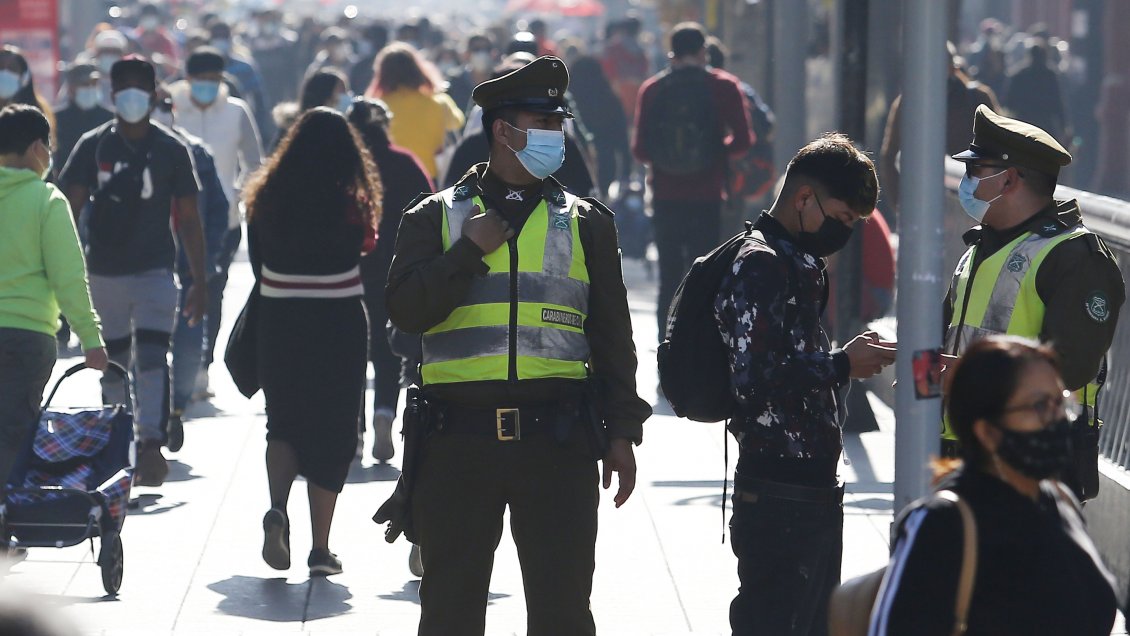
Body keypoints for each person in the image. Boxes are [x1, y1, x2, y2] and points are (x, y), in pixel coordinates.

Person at [384, 55, 649, 635]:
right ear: (504, 131)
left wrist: (623, 430)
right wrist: (466, 253)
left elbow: (613, 338)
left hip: (558, 445)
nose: (558, 134)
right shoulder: (437, 217)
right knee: (450, 614)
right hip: (458, 445)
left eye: (559, 123)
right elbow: (405, 311)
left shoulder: (587, 222)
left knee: (562, 614)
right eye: (544, 122)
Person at [715, 133, 894, 636]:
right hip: (776, 487)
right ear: (803, 198)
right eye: (841, 219)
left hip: (808, 484)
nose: (845, 233)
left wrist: (844, 358)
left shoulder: (797, 261)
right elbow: (753, 378)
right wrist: (840, 365)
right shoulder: (761, 263)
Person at [867, 336, 1118, 635]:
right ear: (987, 431)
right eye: (1039, 406)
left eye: (1060, 402)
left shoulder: (1061, 502)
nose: (1057, 420)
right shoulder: (942, 524)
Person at [943, 105, 1124, 502]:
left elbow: (1068, 368)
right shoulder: (981, 246)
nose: (966, 181)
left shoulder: (1076, 258)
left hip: (1029, 464)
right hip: (960, 454)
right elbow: (949, 340)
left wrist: (967, 378)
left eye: (976, 171)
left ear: (1008, 179)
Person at [244, 107, 381, 577]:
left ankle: (277, 508)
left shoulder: (267, 197)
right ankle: (321, 548)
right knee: (335, 429)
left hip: (279, 319)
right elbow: (367, 245)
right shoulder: (351, 199)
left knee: (282, 423)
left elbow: (258, 258)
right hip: (338, 319)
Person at [59, 57, 207, 487]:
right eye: (122, 86)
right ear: (112, 93)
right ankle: (116, 435)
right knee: (113, 361)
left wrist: (200, 281)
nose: (130, 95)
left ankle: (150, 442)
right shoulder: (93, 145)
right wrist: (69, 280)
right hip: (104, 272)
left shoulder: (171, 149)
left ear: (153, 91)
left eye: (138, 86)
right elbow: (69, 211)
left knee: (153, 358)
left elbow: (189, 218)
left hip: (155, 271)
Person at [0, 104, 108, 487]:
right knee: (13, 431)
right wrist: (91, 339)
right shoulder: (46, 201)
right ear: (35, 149)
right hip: (26, 338)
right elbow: (68, 278)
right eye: (48, 147)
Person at [633, 22, 754, 341]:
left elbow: (640, 150)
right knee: (706, 276)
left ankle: (667, 348)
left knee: (669, 277)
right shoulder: (724, 86)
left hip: (665, 197)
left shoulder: (653, 89)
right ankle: (702, 347)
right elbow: (743, 140)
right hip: (708, 196)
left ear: (672, 54)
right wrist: (716, 151)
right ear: (704, 51)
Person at [169, 47, 264, 404]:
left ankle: (200, 367)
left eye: (214, 80)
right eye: (201, 80)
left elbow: (254, 164)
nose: (207, 87)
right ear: (187, 79)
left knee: (212, 290)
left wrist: (238, 194)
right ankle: (178, 360)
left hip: (223, 222)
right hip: (174, 220)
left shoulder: (237, 112)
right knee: (176, 290)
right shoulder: (172, 108)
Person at [346, 97, 433, 462]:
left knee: (350, 353)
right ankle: (384, 414)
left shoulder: (342, 167)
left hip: (348, 273)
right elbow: (430, 212)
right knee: (388, 350)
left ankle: (355, 431)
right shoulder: (405, 162)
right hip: (395, 272)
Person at [150, 89, 229, 452]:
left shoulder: (196, 153)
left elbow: (217, 211)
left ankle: (176, 408)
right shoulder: (116, 150)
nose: (159, 113)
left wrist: (208, 259)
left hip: (188, 270)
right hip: (142, 268)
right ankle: (150, 420)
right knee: (146, 350)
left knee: (186, 348)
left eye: (165, 106)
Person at [879, 43, 999, 222]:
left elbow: (998, 151)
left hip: (971, 205)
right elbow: (890, 155)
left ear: (953, 68)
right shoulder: (908, 103)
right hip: (922, 205)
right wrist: (900, 205)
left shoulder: (979, 99)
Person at [364, 42, 464, 181]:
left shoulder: (377, 106)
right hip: (431, 177)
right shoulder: (439, 102)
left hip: (390, 177)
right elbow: (457, 122)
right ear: (418, 69)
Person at [568, 55, 631, 197]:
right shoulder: (609, 99)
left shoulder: (569, 100)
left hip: (574, 162)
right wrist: (626, 168)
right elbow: (622, 136)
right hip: (606, 160)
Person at [1002, 40, 1069, 148]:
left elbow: (1008, 103)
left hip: (1023, 125)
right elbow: (1058, 104)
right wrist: (1064, 127)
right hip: (1045, 126)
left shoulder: (1018, 75)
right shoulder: (1050, 76)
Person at [270, 68, 351, 152]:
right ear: (325, 97)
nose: (347, 97)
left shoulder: (344, 130)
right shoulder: (292, 131)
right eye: (342, 92)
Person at [53, 64, 114, 174]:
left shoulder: (110, 118)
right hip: (66, 184)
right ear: (71, 88)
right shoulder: (56, 119)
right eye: (85, 84)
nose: (90, 88)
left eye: (94, 84)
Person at [0, 47, 55, 133]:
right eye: (0, 67)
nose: (4, 73)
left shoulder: (36, 116)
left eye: (12, 69)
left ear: (24, 78)